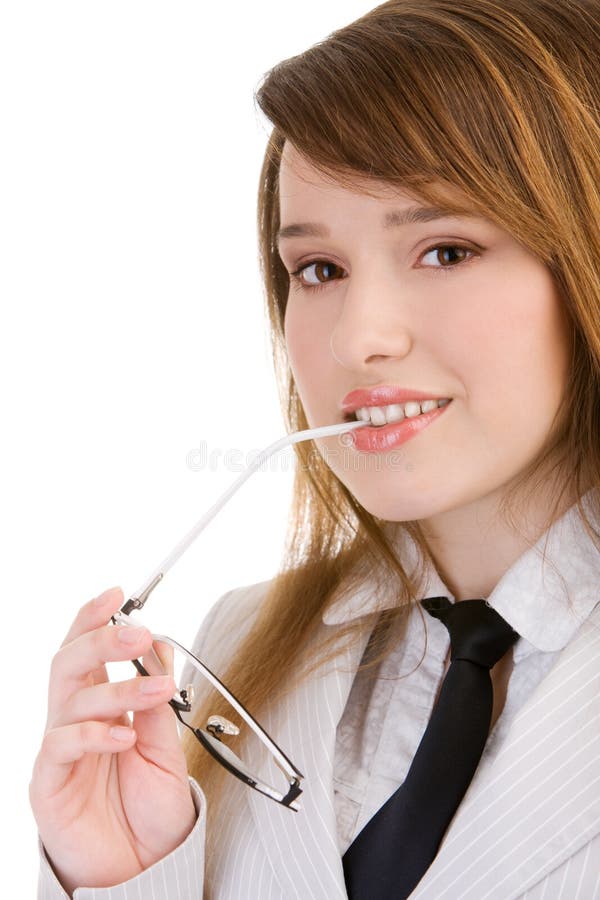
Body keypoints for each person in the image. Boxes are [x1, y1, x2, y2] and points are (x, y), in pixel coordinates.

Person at [31, 0, 600, 896]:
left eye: (446, 251)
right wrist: (127, 876)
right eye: (320, 270)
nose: (356, 340)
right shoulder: (243, 641)